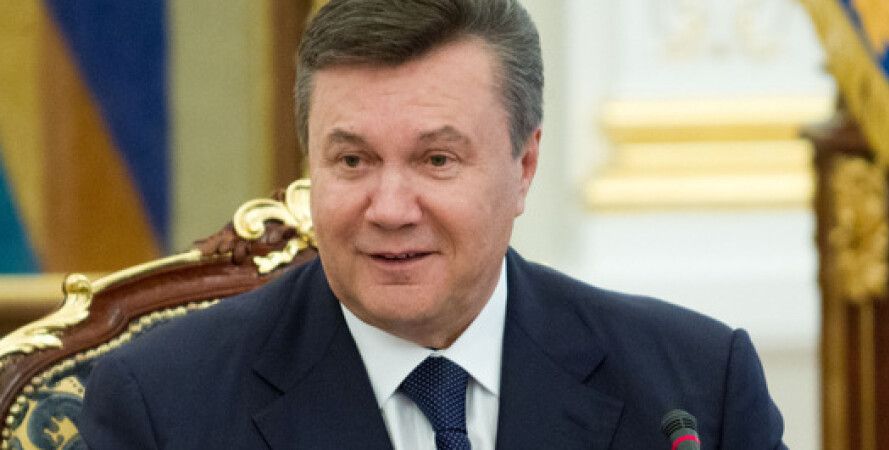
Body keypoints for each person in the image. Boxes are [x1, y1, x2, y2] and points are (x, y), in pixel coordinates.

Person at [78, 0, 787, 448]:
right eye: (352, 161)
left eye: (437, 160)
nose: (390, 209)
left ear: (524, 166)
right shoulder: (162, 407)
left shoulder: (694, 390)